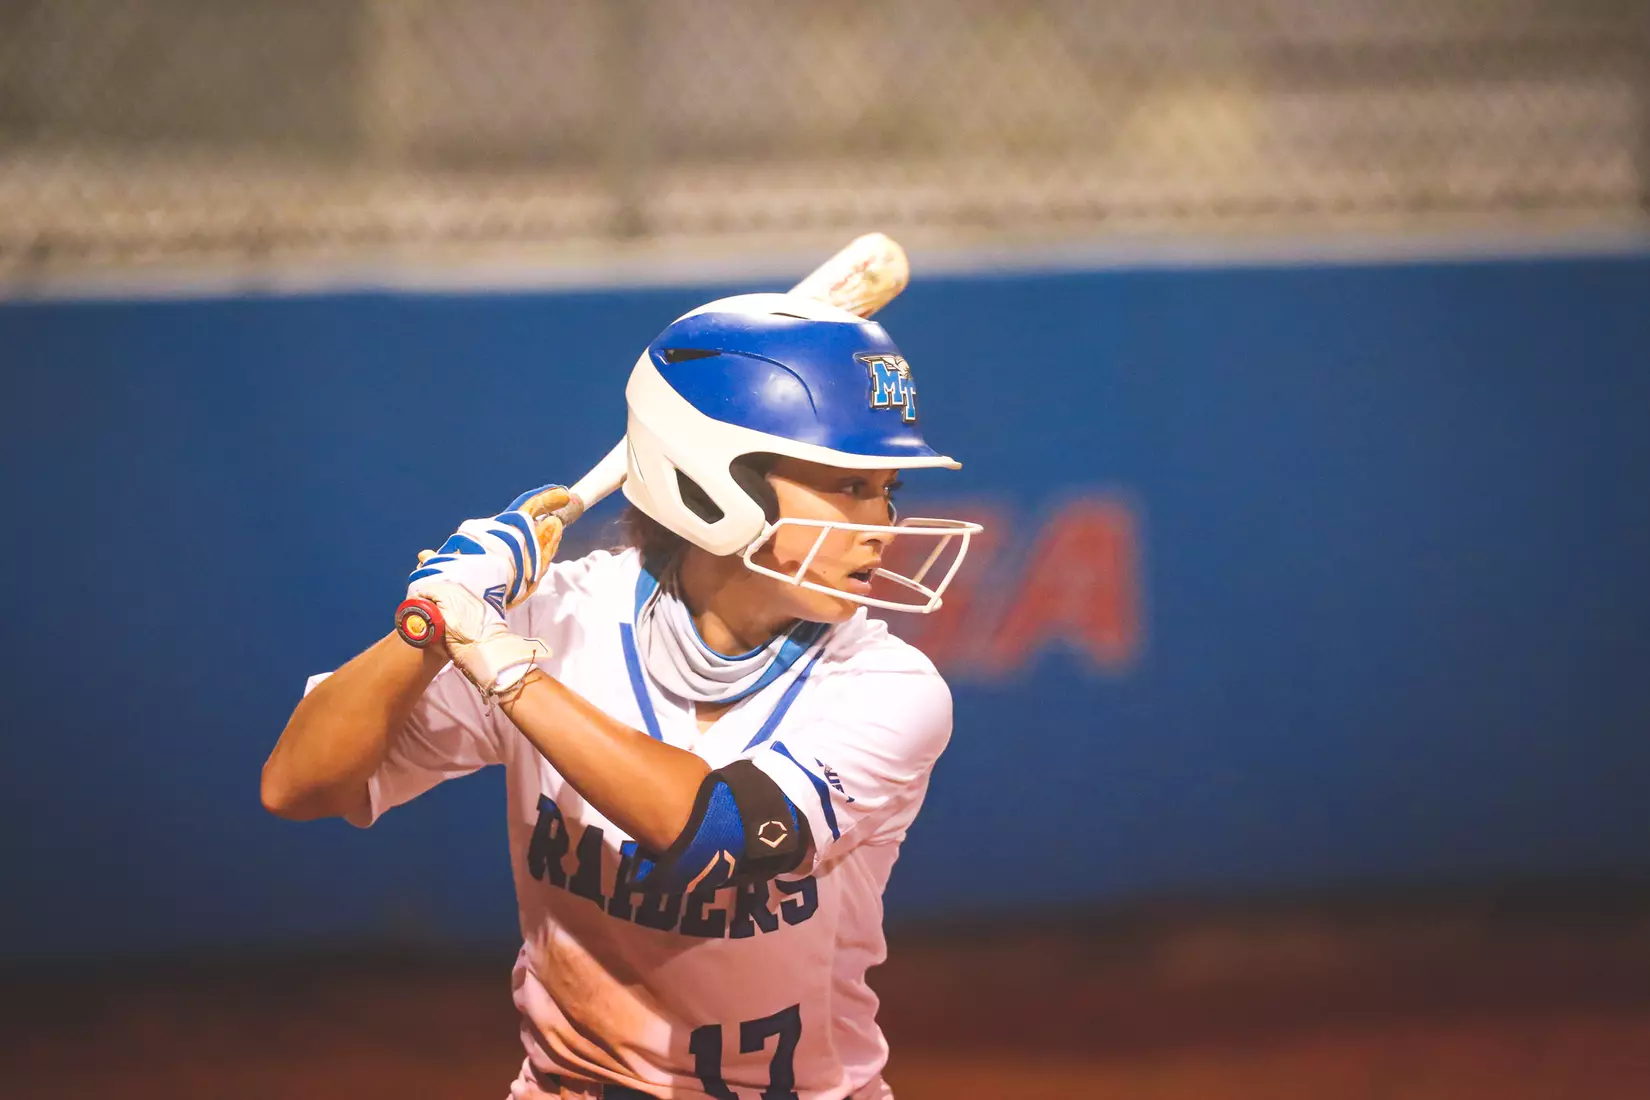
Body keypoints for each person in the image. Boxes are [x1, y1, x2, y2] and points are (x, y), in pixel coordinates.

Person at [261, 293, 981, 1100]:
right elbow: (300, 784)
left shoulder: (888, 688)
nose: (880, 523)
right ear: (720, 483)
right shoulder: (563, 621)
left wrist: (499, 661)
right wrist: (429, 626)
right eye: (848, 486)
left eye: (886, 489)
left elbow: (719, 832)